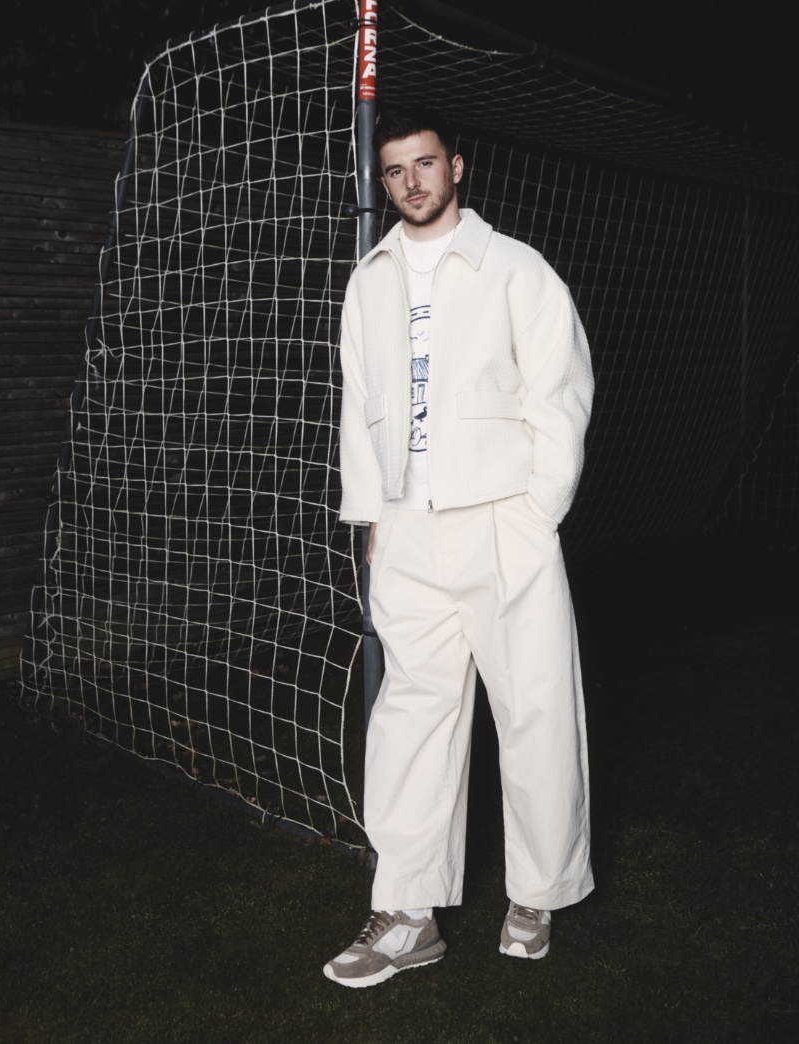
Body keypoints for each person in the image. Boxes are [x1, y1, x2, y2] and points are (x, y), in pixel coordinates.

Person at [324, 108, 594, 988]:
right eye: (395, 169)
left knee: (536, 708)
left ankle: (536, 892)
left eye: (425, 163)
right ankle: (408, 914)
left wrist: (537, 509)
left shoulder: (516, 269)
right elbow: (359, 408)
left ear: (457, 168)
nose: (410, 180)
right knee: (410, 719)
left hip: (503, 522)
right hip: (406, 531)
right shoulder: (367, 283)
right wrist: (371, 518)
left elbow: (561, 392)